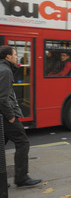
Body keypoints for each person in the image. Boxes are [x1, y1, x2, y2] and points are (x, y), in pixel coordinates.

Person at [0, 46, 41, 187]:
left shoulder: (3, 68)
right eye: (15, 54)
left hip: (3, 115)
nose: (17, 57)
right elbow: (3, 97)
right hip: (6, 116)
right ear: (8, 56)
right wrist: (10, 116)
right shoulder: (5, 71)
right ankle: (21, 178)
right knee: (23, 143)